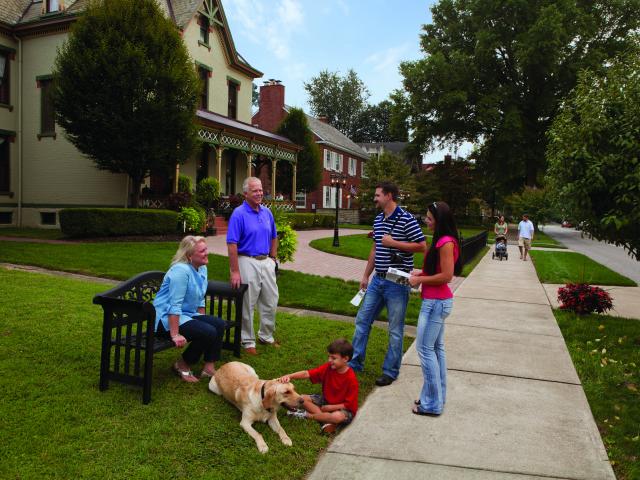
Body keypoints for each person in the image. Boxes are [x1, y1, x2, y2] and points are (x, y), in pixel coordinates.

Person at [349, 181, 426, 387]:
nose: (374, 198)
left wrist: (394, 243)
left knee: (395, 328)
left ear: (389, 196)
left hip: (397, 281)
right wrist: (366, 275)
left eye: (377, 195)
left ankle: (390, 371)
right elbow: (375, 249)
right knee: (362, 320)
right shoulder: (378, 220)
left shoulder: (407, 219)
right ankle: (354, 364)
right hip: (378, 279)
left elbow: (421, 246)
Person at [408, 201, 462, 416]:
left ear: (439, 221)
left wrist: (420, 280)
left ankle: (432, 404)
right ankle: (437, 397)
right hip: (436, 302)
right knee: (436, 349)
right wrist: (421, 273)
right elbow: (439, 270)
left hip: (435, 304)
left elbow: (447, 276)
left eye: (429, 218)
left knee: (425, 350)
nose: (426, 221)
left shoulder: (446, 242)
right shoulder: (442, 240)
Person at [153, 236, 226, 382]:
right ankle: (182, 365)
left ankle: (209, 368)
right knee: (207, 332)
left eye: (206, 249)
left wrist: (202, 319)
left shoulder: (201, 268)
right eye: (202, 251)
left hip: (186, 314)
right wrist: (175, 335)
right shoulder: (181, 271)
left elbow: (200, 296)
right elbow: (174, 304)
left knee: (218, 324)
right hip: (166, 319)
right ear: (189, 256)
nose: (207, 253)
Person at [227, 177, 279, 355]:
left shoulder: (267, 212)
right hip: (246, 260)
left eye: (261, 190)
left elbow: (274, 236)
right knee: (247, 303)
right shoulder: (238, 214)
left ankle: (266, 336)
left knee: (271, 301)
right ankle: (247, 341)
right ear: (246, 194)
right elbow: (232, 244)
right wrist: (234, 271)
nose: (259, 193)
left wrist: (273, 258)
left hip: (266, 261)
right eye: (255, 190)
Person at [278, 338, 358, 434]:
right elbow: (307, 373)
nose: (329, 360)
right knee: (302, 398)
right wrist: (290, 376)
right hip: (326, 400)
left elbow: (349, 405)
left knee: (337, 416)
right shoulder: (328, 367)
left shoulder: (351, 379)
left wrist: (330, 408)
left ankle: (306, 415)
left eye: (333, 358)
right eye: (329, 357)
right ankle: (327, 420)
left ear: (345, 359)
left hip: (343, 408)